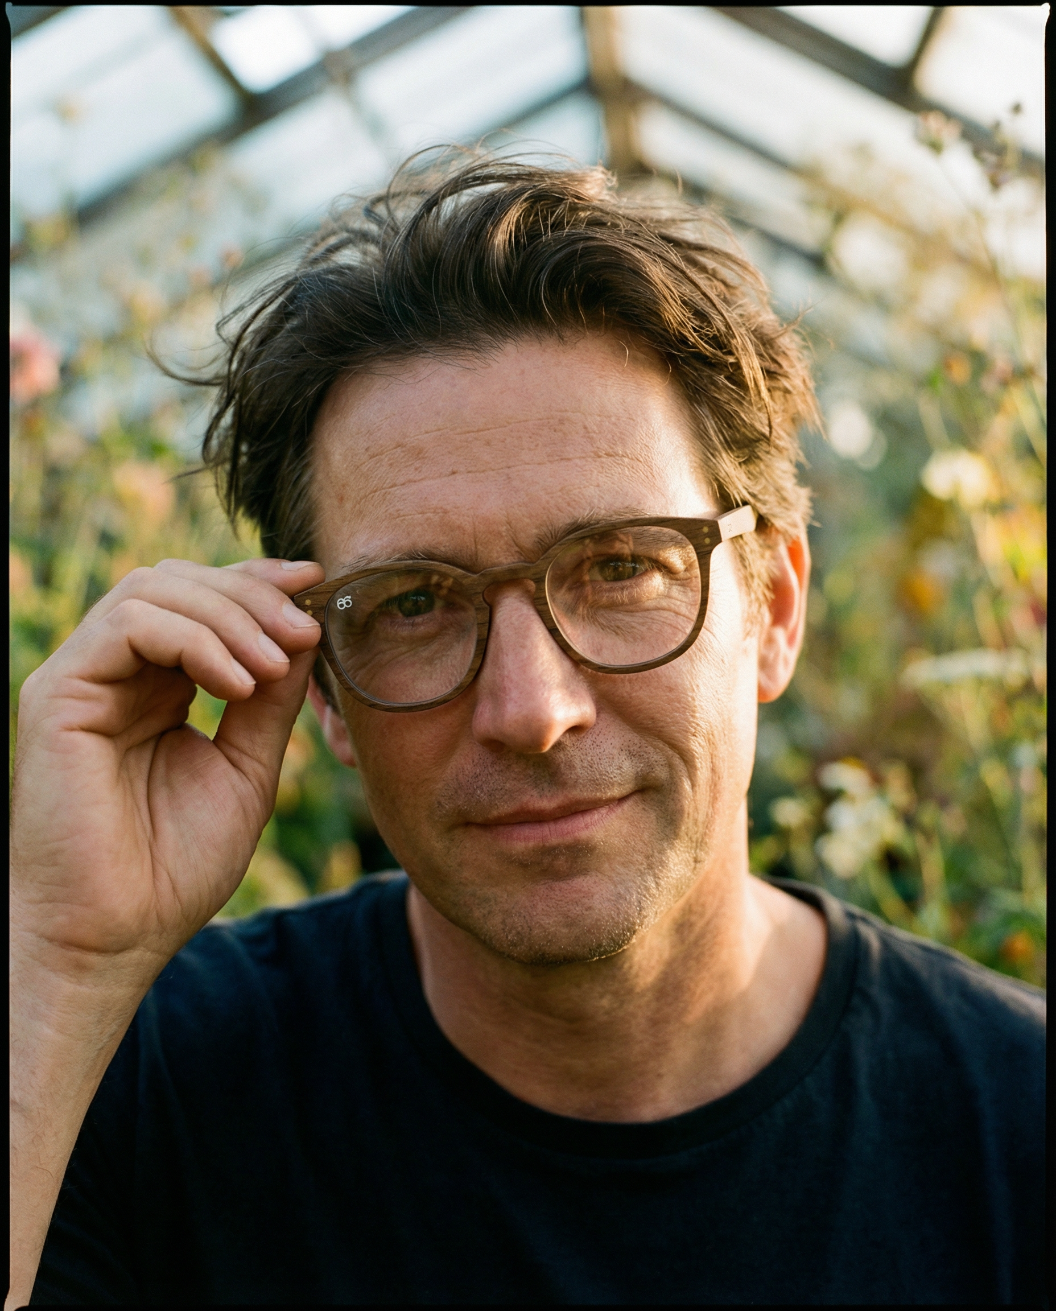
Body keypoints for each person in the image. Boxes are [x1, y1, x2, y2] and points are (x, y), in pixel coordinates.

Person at [11, 154, 1044, 1308]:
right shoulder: (131, 1093)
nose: (532, 710)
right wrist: (58, 960)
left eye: (619, 568)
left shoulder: (1018, 1128)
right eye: (415, 603)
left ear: (775, 610)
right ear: (323, 692)